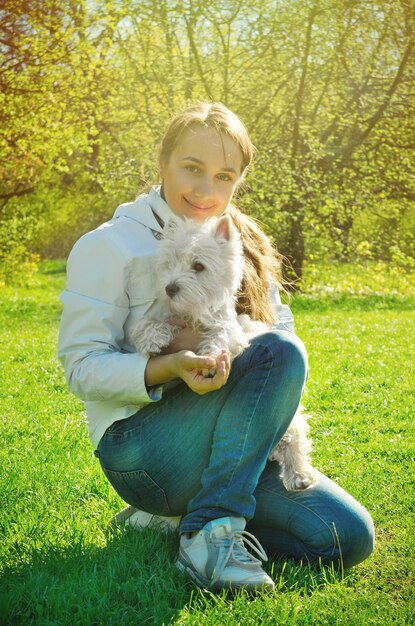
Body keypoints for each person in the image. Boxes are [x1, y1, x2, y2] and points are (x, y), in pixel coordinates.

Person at [58, 102, 374, 592]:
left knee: (346, 539)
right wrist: (168, 366)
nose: (207, 191)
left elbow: (279, 350)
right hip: (142, 448)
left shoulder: (241, 245)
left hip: (234, 445)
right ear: (162, 162)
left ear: (238, 181)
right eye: (192, 169)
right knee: (278, 352)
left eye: (224, 176)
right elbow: (80, 368)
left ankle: (169, 519)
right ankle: (211, 532)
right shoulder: (111, 244)